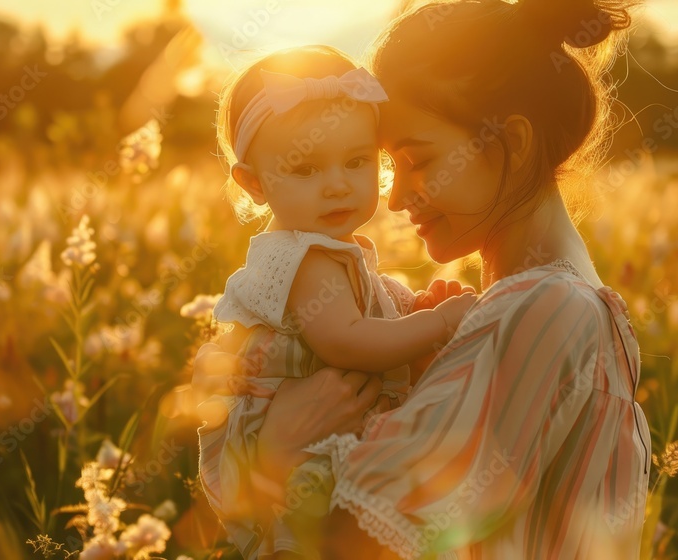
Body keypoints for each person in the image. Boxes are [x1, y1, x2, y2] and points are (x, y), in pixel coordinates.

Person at [194, 0, 651, 557]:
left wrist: (272, 451)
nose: (394, 195)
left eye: (421, 160)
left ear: (516, 142)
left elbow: (354, 542)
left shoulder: (545, 309)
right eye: (390, 164)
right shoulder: (534, 308)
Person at [198, 44, 477, 559]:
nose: (337, 186)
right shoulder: (305, 261)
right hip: (307, 460)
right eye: (306, 170)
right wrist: (436, 323)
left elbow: (364, 318)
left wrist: (409, 309)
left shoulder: (325, 252)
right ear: (254, 183)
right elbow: (347, 342)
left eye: (356, 162)